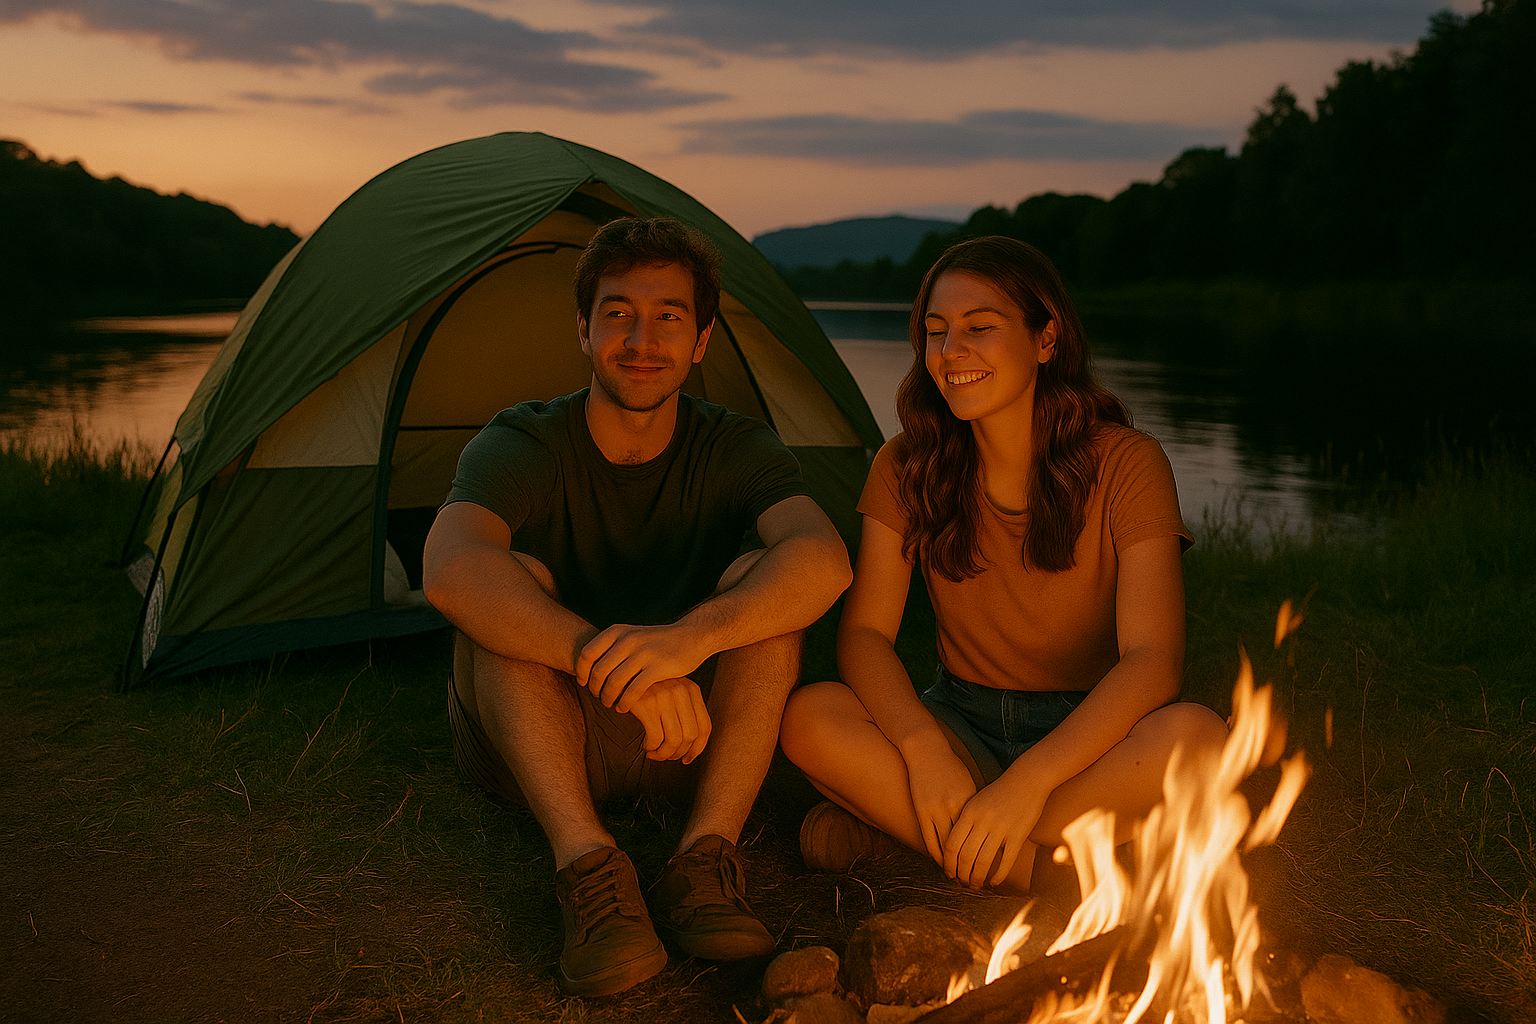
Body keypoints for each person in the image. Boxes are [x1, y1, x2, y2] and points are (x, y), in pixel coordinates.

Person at [422, 217, 852, 997]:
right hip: (542, 738)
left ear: (702, 340)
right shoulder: (522, 439)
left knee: (770, 578)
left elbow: (824, 559)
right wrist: (622, 664)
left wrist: (687, 641)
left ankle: (704, 859)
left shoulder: (735, 445)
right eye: (618, 313)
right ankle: (587, 867)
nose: (642, 338)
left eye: (669, 317)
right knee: (507, 582)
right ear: (584, 332)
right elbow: (451, 570)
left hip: (687, 744)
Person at [779, 235, 1227, 895]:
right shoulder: (905, 464)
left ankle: (937, 835)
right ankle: (1041, 868)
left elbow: (1152, 659)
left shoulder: (1127, 462)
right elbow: (866, 635)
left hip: (1089, 738)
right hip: (958, 721)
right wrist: (923, 751)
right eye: (936, 332)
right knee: (810, 716)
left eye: (979, 328)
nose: (950, 351)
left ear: (1046, 339)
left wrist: (1028, 782)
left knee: (1199, 740)